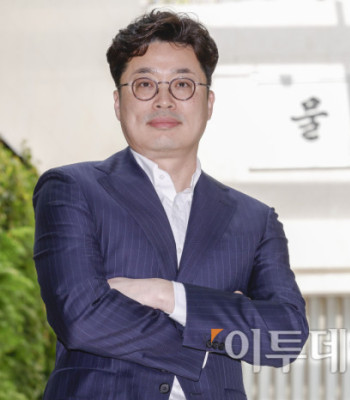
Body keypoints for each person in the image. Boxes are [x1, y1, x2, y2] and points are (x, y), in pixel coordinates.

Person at [33, 10, 308, 400]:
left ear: (208, 102)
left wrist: (168, 295)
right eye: (144, 84)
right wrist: (214, 333)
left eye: (182, 84)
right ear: (118, 102)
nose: (164, 100)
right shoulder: (72, 189)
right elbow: (80, 318)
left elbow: (286, 336)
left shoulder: (255, 220)